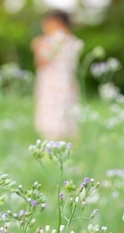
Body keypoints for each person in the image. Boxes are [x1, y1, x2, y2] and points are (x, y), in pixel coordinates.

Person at [31, 10, 83, 141]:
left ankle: (52, 149)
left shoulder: (54, 40)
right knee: (67, 116)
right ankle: (69, 146)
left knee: (52, 118)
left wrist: (37, 46)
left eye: (47, 22)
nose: (44, 25)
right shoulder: (73, 41)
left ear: (57, 22)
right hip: (69, 83)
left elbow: (41, 61)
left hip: (52, 84)